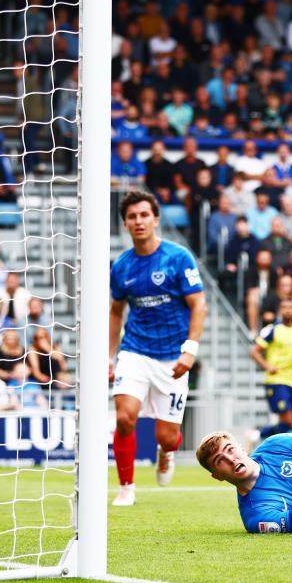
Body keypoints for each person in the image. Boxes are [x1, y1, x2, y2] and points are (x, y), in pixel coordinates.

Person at [109, 191, 207, 507]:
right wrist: (109, 357)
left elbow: (199, 304)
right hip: (135, 350)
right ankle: (126, 486)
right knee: (125, 417)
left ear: (155, 219)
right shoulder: (122, 266)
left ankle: (167, 454)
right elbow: (115, 312)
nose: (138, 221)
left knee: (167, 437)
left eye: (143, 215)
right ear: (125, 223)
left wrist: (190, 350)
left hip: (173, 357)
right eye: (132, 217)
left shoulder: (178, 258)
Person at [249, 298, 292, 445]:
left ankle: (257, 435)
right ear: (280, 310)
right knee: (286, 419)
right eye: (284, 307)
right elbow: (254, 352)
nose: (288, 310)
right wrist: (267, 366)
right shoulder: (273, 330)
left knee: (289, 423)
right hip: (275, 380)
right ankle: (259, 436)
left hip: (290, 381)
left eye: (290, 307)